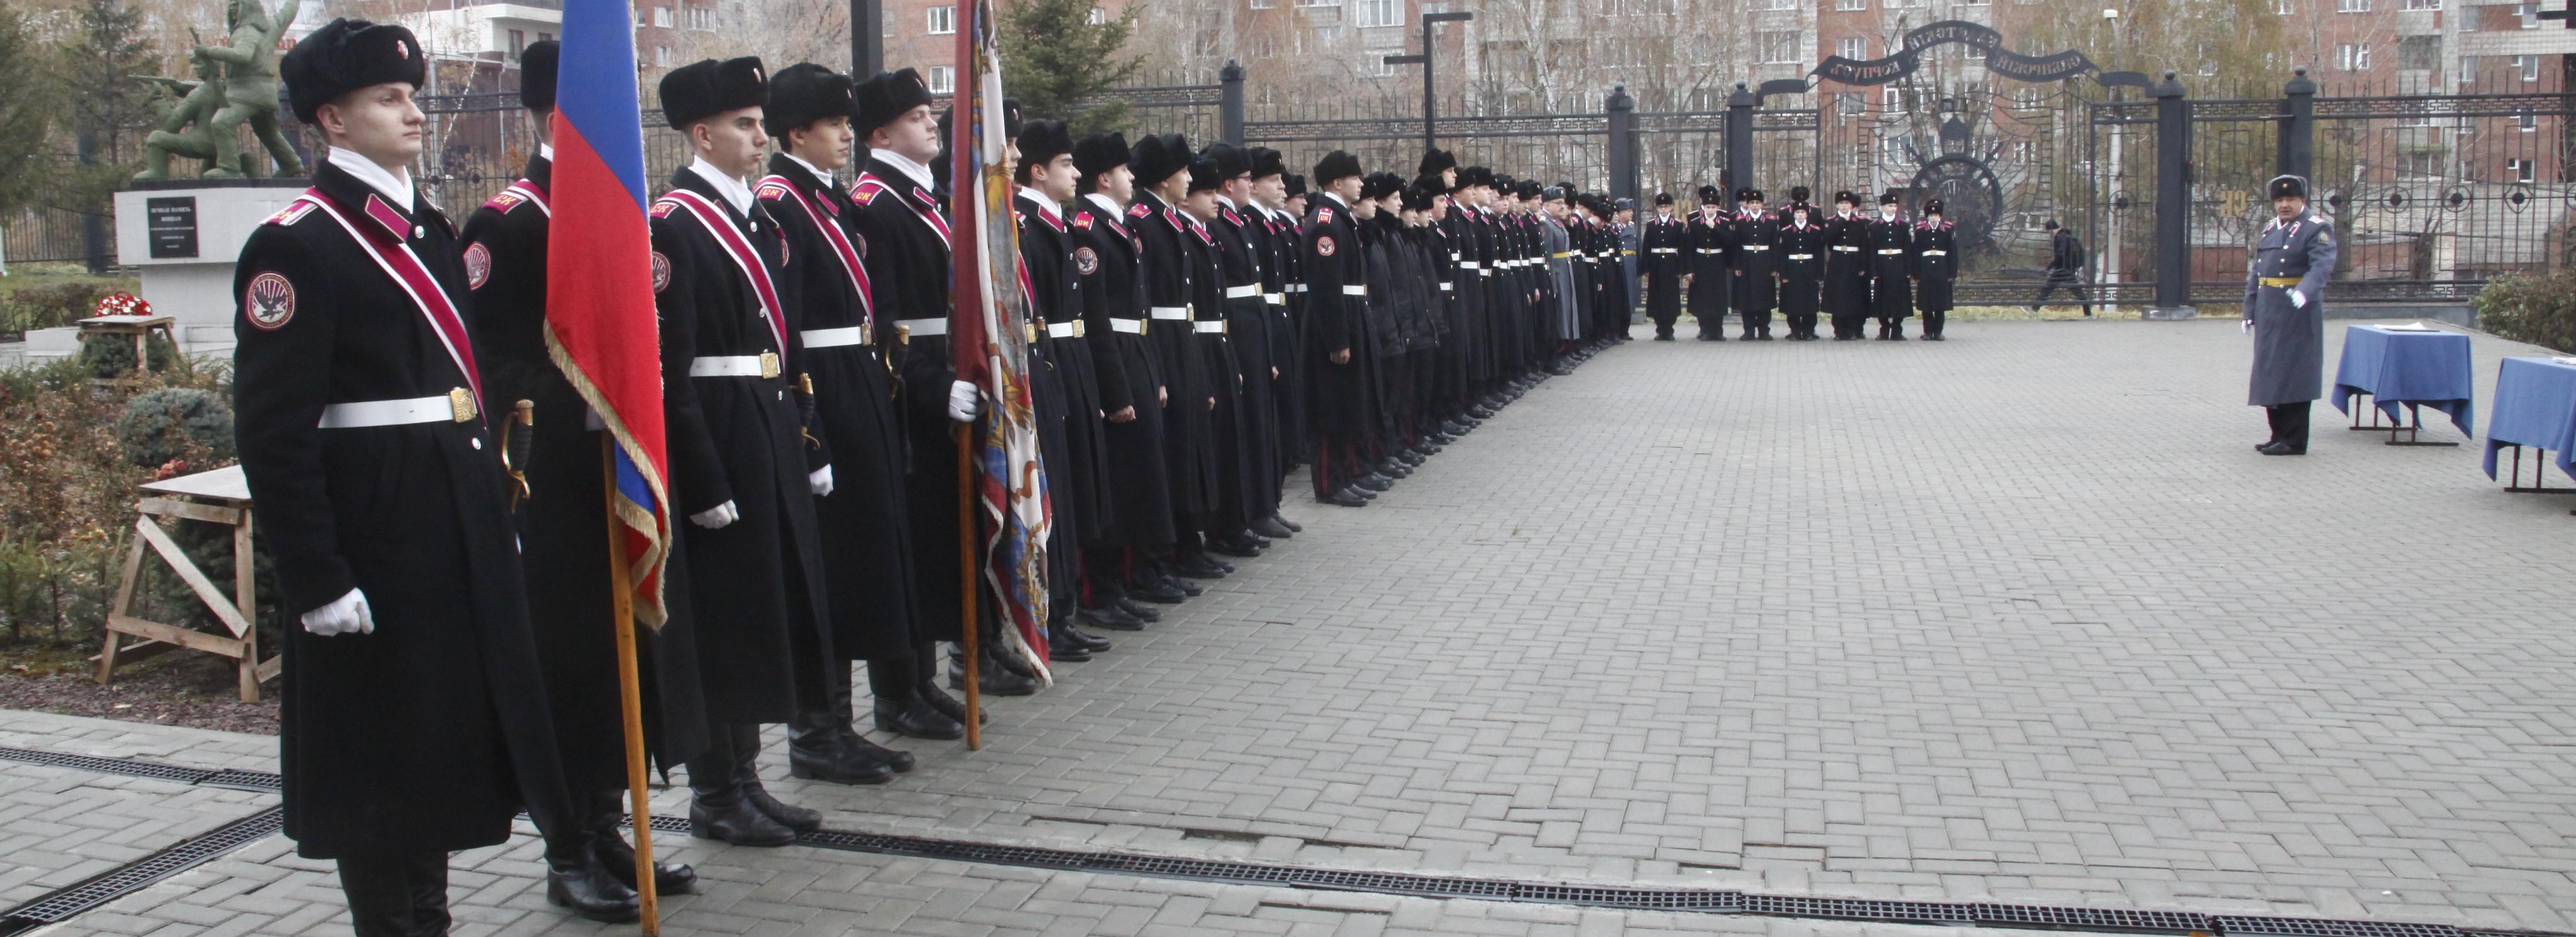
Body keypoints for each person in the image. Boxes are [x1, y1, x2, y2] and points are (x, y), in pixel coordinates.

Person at [240, 18, 599, 933]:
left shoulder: (424, 226)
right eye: (388, 100)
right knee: (374, 754)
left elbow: (466, 389)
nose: (411, 111)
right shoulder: (298, 244)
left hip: (449, 520)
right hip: (374, 528)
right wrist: (316, 578)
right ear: (332, 118)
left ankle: (431, 917)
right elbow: (275, 435)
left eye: (410, 95)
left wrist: (491, 510)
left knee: (435, 740)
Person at [459, 39, 697, 911]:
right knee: (567, 663)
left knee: (620, 657)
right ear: (553, 110)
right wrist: (581, 405)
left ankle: (610, 826)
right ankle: (568, 850)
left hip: (624, 473)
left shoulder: (627, 210)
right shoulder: (509, 223)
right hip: (554, 484)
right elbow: (489, 366)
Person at [648, 56, 835, 845]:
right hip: (719, 425)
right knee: (724, 611)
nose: (761, 138)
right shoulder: (674, 221)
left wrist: (809, 438)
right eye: (745, 125)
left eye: (762, 124)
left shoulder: (757, 217)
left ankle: (750, 775)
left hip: (767, 415)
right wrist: (699, 473)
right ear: (703, 133)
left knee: (768, 599)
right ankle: (715, 789)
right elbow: (671, 369)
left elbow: (786, 344)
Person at [756, 62, 963, 751]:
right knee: (843, 556)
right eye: (836, 125)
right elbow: (786, 321)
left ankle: (903, 688)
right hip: (826, 385)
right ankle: (823, 725)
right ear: (798, 132)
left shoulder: (831, 199)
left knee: (884, 543)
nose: (848, 135)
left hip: (866, 375)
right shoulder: (780, 202)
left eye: (849, 123)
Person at [847, 69, 1034, 699]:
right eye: (916, 116)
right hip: (920, 392)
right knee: (928, 534)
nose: (932, 122)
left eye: (931, 113)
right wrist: (929, 384)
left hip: (961, 373)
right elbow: (886, 317)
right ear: (880, 133)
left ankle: (970, 646)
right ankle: (914, 683)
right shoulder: (876, 203)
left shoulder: (928, 195)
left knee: (961, 525)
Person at [1067, 131, 1184, 624]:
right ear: (1105, 177)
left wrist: (1153, 372)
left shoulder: (1115, 225)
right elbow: (1097, 317)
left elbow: (1140, 311)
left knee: (1140, 474)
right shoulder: (1089, 228)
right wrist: (1114, 390)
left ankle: (1131, 577)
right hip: (1112, 356)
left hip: (1135, 352)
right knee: (1115, 478)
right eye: (1125, 170)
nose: (1133, 177)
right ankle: (1103, 588)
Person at [2244, 174, 2336, 456]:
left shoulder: (2316, 229)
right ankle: (2278, 433)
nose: (2284, 205)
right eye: (2280, 200)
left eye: (2290, 200)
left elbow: (2321, 266)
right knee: (2271, 372)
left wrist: (2305, 291)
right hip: (2270, 311)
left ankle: (2294, 439)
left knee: (2294, 373)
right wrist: (2249, 310)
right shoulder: (2270, 229)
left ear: (2302, 201)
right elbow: (2258, 273)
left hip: (2298, 312)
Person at [1303, 150, 1373, 507]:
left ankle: (1346, 475)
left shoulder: (1341, 219)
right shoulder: (1326, 222)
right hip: (1336, 320)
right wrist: (1338, 339)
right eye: (1355, 177)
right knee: (1332, 405)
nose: (1361, 183)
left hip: (1350, 313)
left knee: (1347, 402)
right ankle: (1330, 482)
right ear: (1336, 182)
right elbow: (1326, 286)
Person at [1728, 188, 1778, 341]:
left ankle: (1764, 330)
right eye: (1752, 203)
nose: (1755, 206)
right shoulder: (1741, 222)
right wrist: (1737, 266)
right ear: (1747, 205)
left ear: (1762, 204)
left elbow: (1775, 246)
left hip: (1764, 261)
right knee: (1746, 298)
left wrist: (1775, 266)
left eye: (1757, 203)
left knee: (1764, 297)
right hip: (1746, 262)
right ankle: (1749, 330)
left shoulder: (1770, 221)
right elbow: (1736, 246)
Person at [1686, 185, 1733, 341]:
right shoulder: (1695, 223)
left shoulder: (1724, 222)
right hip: (1701, 262)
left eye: (1713, 207)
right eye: (1708, 207)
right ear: (1703, 207)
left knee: (1717, 297)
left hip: (1717, 262)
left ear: (1718, 207)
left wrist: (1715, 228)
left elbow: (1729, 241)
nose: (1711, 210)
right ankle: (1706, 330)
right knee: (1704, 297)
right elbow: (1690, 247)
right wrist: (1690, 269)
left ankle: (1718, 331)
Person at [1823, 190, 1870, 340]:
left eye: (1847, 203)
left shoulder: (1859, 223)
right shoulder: (1831, 221)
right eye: (1841, 203)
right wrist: (1841, 222)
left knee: (1852, 296)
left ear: (1852, 205)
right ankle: (1838, 330)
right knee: (1838, 296)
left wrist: (1863, 266)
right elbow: (1827, 238)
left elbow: (1864, 245)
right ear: (1837, 204)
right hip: (1838, 260)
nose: (1844, 206)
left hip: (1853, 261)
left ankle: (1851, 329)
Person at [1866, 191, 1913, 340]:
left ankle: (1897, 330)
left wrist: (1908, 269)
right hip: (1882, 265)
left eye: (1894, 206)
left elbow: (1908, 249)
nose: (1893, 209)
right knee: (1882, 299)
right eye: (1890, 206)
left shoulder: (1903, 226)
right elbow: (1872, 250)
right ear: (1883, 207)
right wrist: (1873, 270)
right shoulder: (1874, 227)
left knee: (1899, 298)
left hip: (1898, 265)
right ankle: (1884, 329)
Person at [1776, 199, 1824, 341]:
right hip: (1792, 269)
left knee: (1810, 301)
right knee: (1793, 301)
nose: (1801, 215)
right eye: (1798, 212)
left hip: (1809, 268)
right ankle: (1795, 330)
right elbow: (1783, 254)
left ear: (1808, 214)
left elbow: (1819, 254)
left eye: (1803, 212)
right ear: (1793, 214)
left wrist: (1819, 273)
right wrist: (1783, 273)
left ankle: (1809, 330)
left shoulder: (1815, 231)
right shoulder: (1786, 231)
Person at [1639, 193, 1685, 340]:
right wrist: (1645, 267)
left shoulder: (1677, 225)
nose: (1664, 210)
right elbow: (1646, 246)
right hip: (1656, 263)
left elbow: (1682, 248)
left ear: (1671, 207)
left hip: (1671, 263)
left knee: (1670, 297)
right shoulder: (1652, 225)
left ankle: (1669, 329)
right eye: (1661, 207)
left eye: (1666, 207)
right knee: (1657, 296)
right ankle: (1660, 328)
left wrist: (1680, 268)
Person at [1912, 198, 1957, 341]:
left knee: (1940, 302)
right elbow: (1916, 252)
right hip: (1925, 268)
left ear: (1940, 217)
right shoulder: (1920, 231)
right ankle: (1927, 331)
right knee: (1926, 302)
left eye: (1936, 216)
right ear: (1927, 217)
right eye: (1931, 216)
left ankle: (1938, 331)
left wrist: (1951, 272)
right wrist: (1916, 272)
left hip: (1941, 268)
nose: (1933, 218)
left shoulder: (1947, 230)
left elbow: (1953, 252)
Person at [2033, 219, 2092, 317]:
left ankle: (2034, 310)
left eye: (2048, 232)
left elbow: (2060, 255)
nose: (2049, 235)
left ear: (2051, 230)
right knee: (2078, 292)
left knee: (2047, 289)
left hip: (2062, 270)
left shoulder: (2061, 237)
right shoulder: (2066, 236)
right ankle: (2088, 313)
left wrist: (2048, 268)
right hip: (2068, 269)